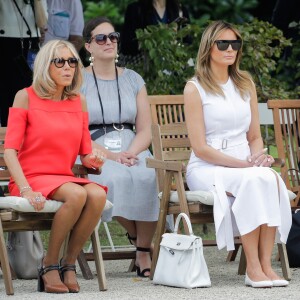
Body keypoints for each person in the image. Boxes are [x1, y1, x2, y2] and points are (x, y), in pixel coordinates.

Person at [184, 20, 292, 288]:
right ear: (209, 48)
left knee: (268, 177)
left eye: (235, 43)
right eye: (223, 43)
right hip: (207, 167)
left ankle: (266, 264)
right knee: (254, 179)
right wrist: (244, 166)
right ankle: (252, 268)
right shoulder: (194, 88)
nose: (230, 49)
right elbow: (200, 147)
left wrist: (258, 158)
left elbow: (254, 137)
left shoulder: (245, 84)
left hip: (243, 165)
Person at [4, 39, 107, 293]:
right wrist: (26, 189)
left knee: (97, 193)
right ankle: (49, 265)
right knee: (77, 193)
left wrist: (94, 160)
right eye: (59, 61)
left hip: (62, 178)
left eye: (72, 61)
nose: (67, 67)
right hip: (31, 178)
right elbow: (9, 152)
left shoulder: (78, 101)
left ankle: (68, 263)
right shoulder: (25, 97)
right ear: (44, 66)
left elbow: (85, 154)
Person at [82, 16, 159, 278]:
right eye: (101, 38)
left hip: (131, 145)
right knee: (113, 179)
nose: (109, 42)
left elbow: (145, 128)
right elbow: (77, 131)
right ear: (88, 46)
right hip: (93, 146)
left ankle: (142, 251)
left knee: (148, 176)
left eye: (113, 37)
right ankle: (139, 237)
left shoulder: (134, 79)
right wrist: (113, 156)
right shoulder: (77, 80)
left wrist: (132, 152)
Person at [0, 0, 47, 127]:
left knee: (31, 95)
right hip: (6, 45)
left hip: (30, 45)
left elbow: (43, 22)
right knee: (7, 99)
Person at [120, 0, 190, 63]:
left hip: (172, 68)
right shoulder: (135, 9)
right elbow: (126, 46)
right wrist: (152, 41)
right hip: (144, 68)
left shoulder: (181, 11)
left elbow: (188, 44)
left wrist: (175, 41)